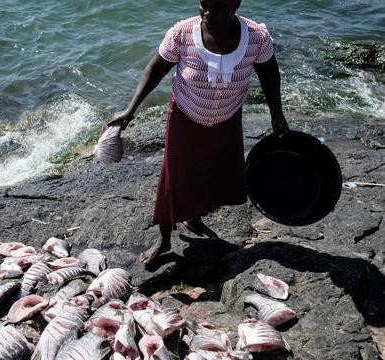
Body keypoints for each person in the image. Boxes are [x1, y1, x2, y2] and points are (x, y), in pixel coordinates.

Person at [108, 0, 289, 265]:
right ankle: (164, 238)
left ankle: (193, 218)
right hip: (185, 115)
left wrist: (277, 113)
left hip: (227, 116)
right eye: (203, 5)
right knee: (174, 178)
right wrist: (130, 110)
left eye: (217, 7)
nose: (207, 13)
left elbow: (269, 74)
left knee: (213, 173)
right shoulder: (182, 34)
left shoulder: (256, 37)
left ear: (235, 5)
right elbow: (155, 70)